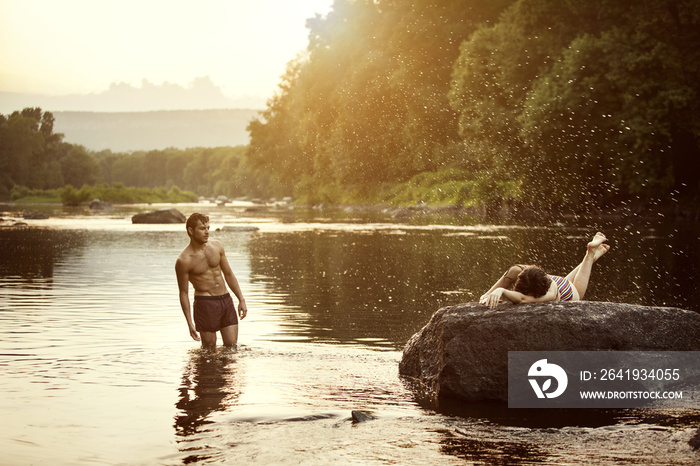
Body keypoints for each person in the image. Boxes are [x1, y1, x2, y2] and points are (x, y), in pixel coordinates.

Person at [479, 232, 610, 309]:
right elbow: (513, 271)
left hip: (567, 293)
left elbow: (521, 299)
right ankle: (590, 256)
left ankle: (590, 254)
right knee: (515, 270)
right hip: (558, 281)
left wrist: (501, 290)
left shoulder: (548, 295)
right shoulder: (539, 277)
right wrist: (488, 294)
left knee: (578, 293)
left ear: (534, 292)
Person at [175, 213, 247, 347]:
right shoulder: (184, 260)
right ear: (191, 231)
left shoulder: (217, 246)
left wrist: (241, 299)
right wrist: (190, 323)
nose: (207, 232)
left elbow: (229, 274)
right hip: (205, 303)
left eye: (208, 228)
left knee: (231, 347)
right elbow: (183, 293)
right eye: (202, 228)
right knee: (209, 349)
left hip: (226, 300)